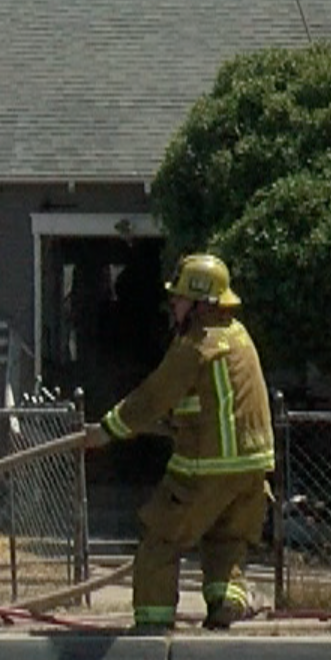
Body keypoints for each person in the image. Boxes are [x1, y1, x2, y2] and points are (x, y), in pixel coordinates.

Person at [85, 252, 276, 632]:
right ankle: (226, 604)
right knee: (226, 540)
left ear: (202, 302)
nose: (172, 304)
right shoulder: (239, 337)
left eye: (179, 297)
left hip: (205, 468)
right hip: (253, 470)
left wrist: (107, 430)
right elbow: (211, 403)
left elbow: (154, 396)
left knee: (161, 540)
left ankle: (153, 624)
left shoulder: (196, 345)